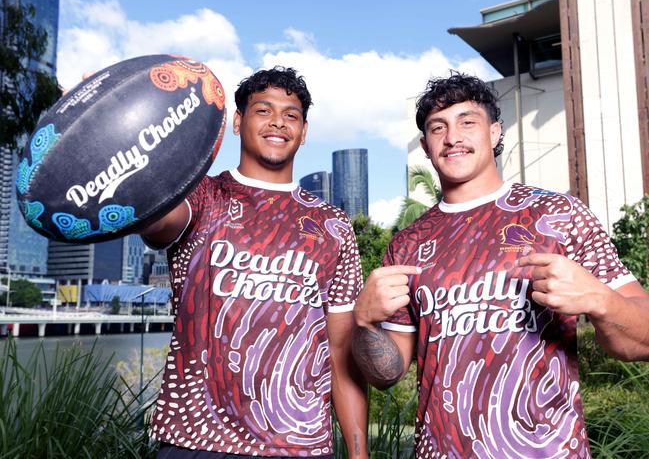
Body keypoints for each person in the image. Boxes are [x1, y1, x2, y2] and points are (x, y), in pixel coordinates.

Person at [351, 72, 649, 458]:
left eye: (467, 122)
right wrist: (363, 323)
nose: (453, 137)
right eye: (438, 128)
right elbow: (386, 375)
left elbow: (639, 340)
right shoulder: (408, 244)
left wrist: (602, 300)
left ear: (494, 132)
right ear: (426, 146)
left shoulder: (558, 215)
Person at [142, 67, 367, 458]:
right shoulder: (202, 195)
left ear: (304, 131)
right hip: (196, 441)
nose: (278, 121)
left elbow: (341, 351)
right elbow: (157, 222)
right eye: (263, 110)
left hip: (300, 445)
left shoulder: (333, 225)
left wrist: (359, 453)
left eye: (291, 114)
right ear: (237, 122)